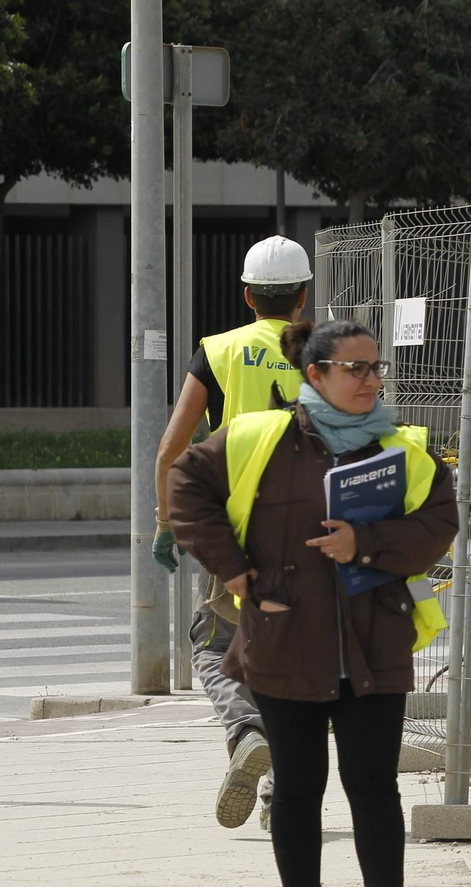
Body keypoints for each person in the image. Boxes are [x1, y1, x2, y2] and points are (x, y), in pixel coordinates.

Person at [167, 318, 458, 887]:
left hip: (374, 641)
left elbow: (441, 522)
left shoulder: (402, 449)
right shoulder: (257, 438)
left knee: (374, 783)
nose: (371, 379)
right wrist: (237, 571)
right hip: (283, 637)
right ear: (315, 375)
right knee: (298, 786)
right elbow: (186, 485)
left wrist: (369, 544)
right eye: (356, 368)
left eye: (376, 367)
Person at [153, 235, 312, 831]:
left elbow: (172, 449)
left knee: (217, 646)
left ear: (247, 296)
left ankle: (246, 730)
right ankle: (282, 795)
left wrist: (168, 525)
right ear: (303, 298)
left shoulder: (216, 352)